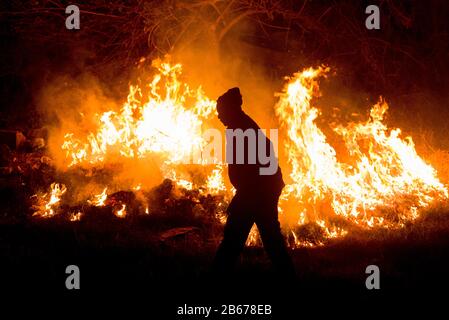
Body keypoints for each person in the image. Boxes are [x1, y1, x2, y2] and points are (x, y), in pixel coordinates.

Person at [212, 87, 295, 278]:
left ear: (231, 109)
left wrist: (240, 199)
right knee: (270, 239)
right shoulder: (240, 126)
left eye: (221, 111)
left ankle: (214, 280)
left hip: (258, 191)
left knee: (234, 239)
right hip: (259, 190)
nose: (218, 116)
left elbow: (251, 172)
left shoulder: (242, 129)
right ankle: (289, 279)